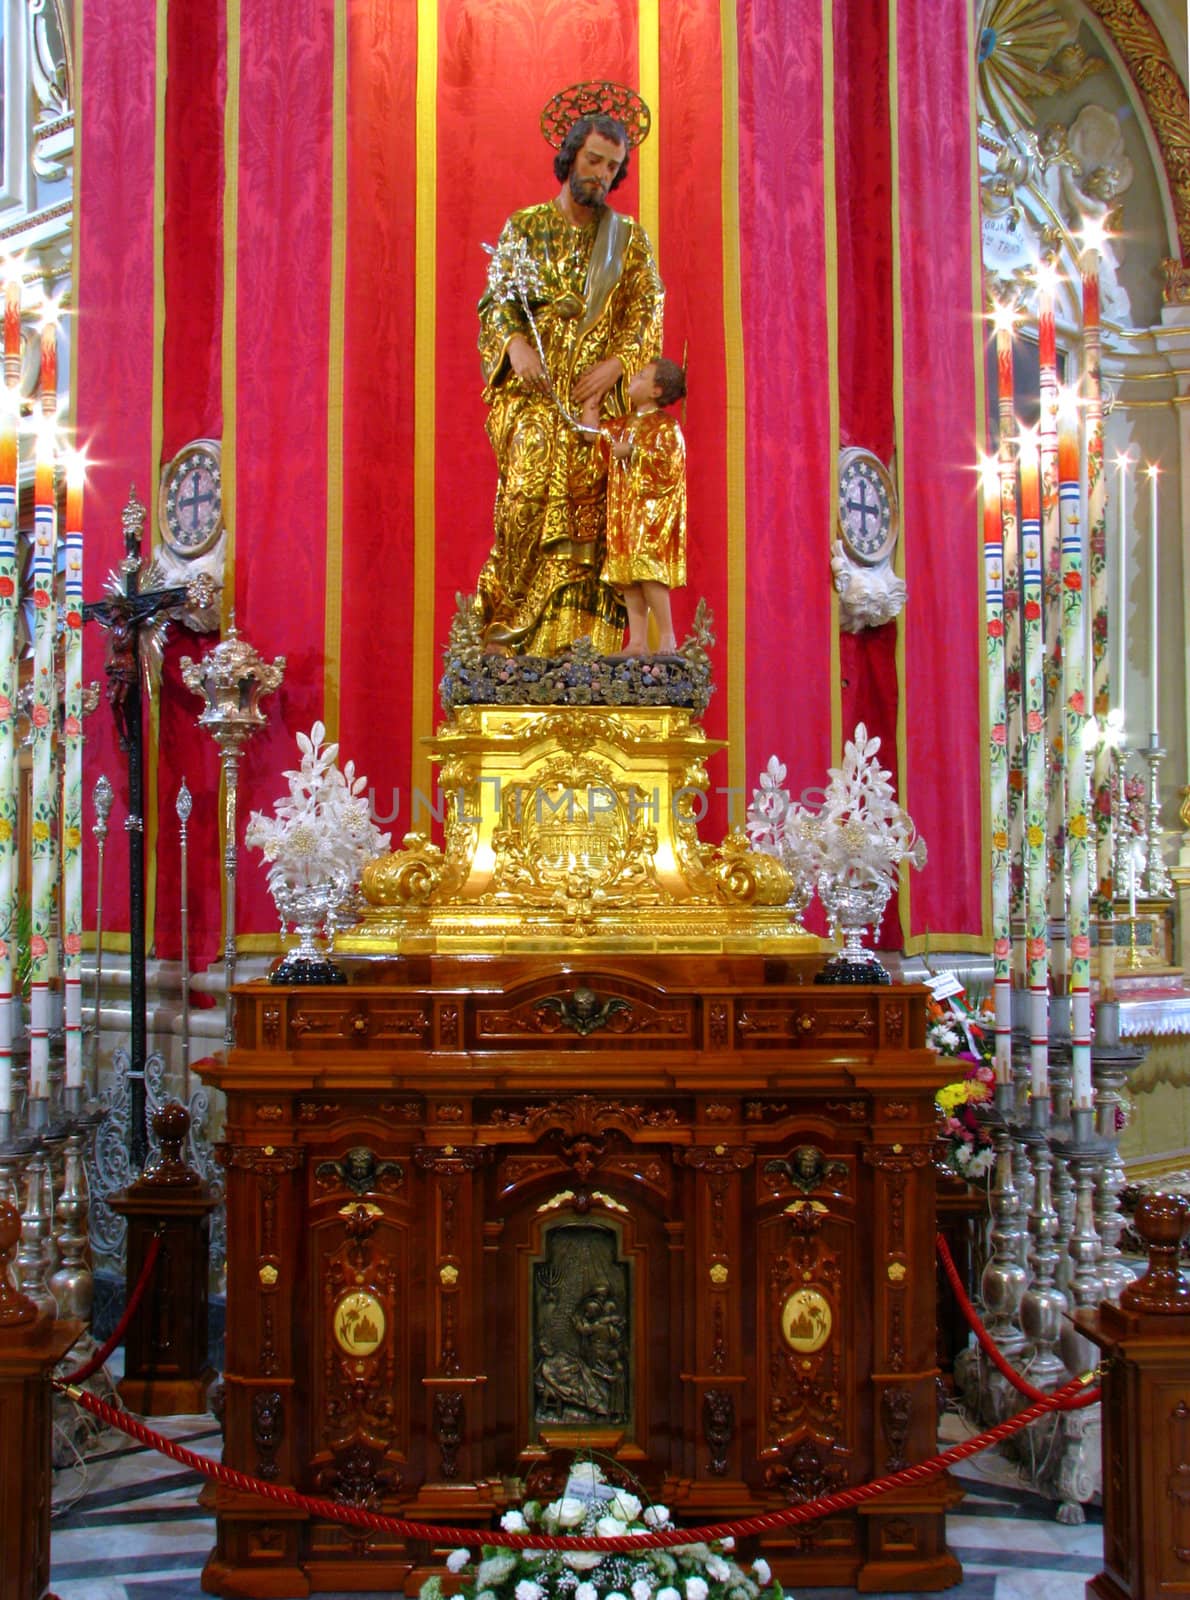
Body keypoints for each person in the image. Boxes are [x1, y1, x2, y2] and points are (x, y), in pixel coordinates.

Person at [475, 107, 664, 655]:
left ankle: (584, 643)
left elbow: (647, 314)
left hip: (596, 402)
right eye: (593, 160)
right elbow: (496, 304)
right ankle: (509, 629)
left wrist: (616, 367)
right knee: (528, 483)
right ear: (570, 156)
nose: (601, 174)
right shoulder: (525, 226)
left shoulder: (627, 239)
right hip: (534, 396)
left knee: (599, 507)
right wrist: (514, 346)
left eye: (612, 167)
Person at [580, 357, 687, 655]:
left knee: (648, 572)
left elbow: (669, 464)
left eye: (642, 376)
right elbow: (594, 436)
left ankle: (666, 636)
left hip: (650, 515)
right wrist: (591, 404)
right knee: (628, 578)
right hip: (624, 513)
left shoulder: (665, 427)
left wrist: (635, 452)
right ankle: (637, 640)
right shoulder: (624, 424)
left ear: (656, 390)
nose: (634, 380)